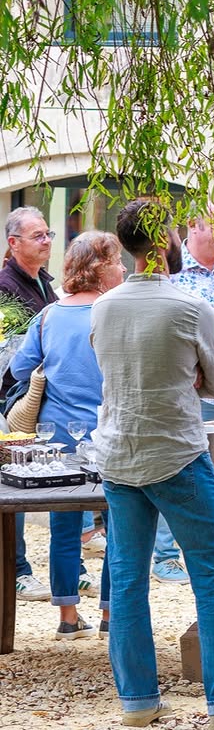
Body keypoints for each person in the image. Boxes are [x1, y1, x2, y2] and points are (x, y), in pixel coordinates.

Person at [91, 199, 214, 730]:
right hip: (176, 449)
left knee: (127, 578)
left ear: (127, 246)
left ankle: (137, 700)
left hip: (119, 454)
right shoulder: (188, 305)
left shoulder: (102, 307)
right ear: (168, 241)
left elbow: (109, 371)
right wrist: (189, 377)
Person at [10, 231, 125, 639]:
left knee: (64, 526)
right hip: (109, 434)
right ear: (98, 268)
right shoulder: (113, 314)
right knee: (119, 526)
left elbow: (22, 369)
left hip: (56, 436)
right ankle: (112, 617)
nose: (124, 268)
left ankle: (68, 619)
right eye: (116, 262)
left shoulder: (48, 316)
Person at [153, 212, 214, 585]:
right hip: (192, 391)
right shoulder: (175, 274)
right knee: (178, 470)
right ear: (192, 227)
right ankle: (166, 554)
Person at [0, 205, 59, 602]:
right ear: (13, 243)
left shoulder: (44, 282)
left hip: (38, 396)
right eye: (37, 236)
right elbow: (10, 350)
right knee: (14, 482)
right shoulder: (4, 286)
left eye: (48, 234)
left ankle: (72, 568)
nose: (47, 242)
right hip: (12, 399)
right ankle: (17, 571)